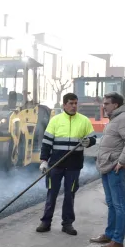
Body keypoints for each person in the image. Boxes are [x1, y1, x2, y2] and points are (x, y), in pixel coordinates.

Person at [37, 93, 97, 235]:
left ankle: (67, 224)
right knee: (52, 194)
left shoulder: (84, 121)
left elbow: (93, 138)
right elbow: (46, 143)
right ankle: (46, 222)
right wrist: (44, 161)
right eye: (71, 103)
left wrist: (89, 141)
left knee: (70, 195)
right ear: (64, 105)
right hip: (55, 164)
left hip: (74, 166)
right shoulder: (55, 121)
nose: (74, 106)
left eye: (76, 103)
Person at [89, 92, 125, 247]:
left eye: (106, 104)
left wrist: (121, 162)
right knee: (111, 203)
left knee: (119, 205)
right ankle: (110, 234)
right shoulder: (115, 119)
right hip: (107, 166)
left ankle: (117, 240)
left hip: (115, 168)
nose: (103, 106)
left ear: (115, 105)